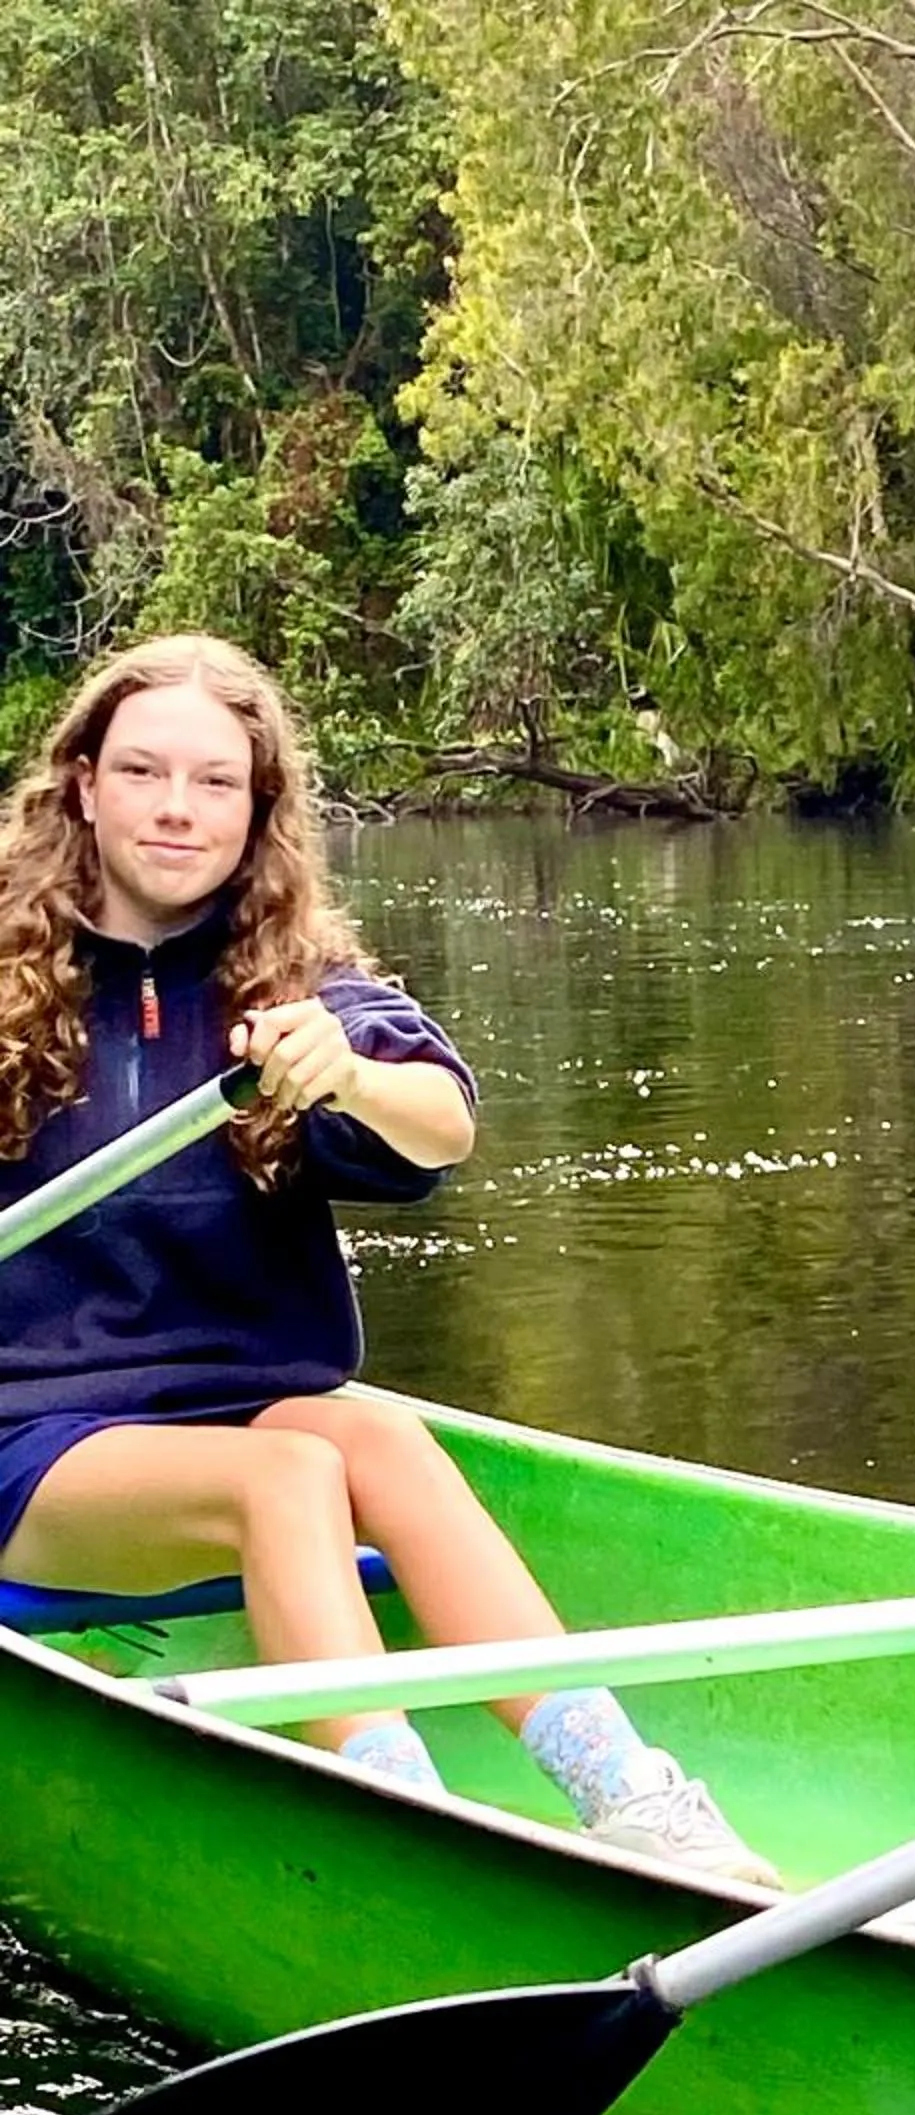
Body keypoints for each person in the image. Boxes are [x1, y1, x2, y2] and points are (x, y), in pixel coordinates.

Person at [0, 632, 777, 1887]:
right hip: (30, 1437)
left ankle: (630, 1791)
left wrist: (346, 1075)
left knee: (383, 1443)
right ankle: (403, 1819)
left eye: (215, 782)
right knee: (287, 1480)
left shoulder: (297, 980)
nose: (177, 810)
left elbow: (443, 1123)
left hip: (237, 1401)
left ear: (259, 808)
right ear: (84, 782)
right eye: (145, 772)